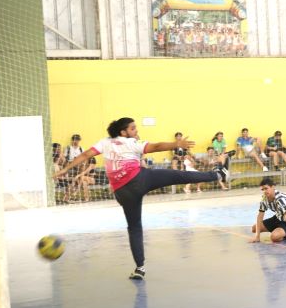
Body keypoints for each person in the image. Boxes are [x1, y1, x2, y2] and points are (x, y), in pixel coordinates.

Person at [55, 117, 226, 279]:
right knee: (178, 175)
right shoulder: (131, 142)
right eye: (133, 128)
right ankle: (216, 174)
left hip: (122, 192)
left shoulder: (104, 142)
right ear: (123, 132)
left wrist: (64, 169)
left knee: (134, 227)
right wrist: (176, 144)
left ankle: (140, 268)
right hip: (140, 180)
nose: (136, 130)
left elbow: (85, 155)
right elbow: (157, 146)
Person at [249, 177, 286, 243]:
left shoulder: (281, 198)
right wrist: (257, 236)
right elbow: (260, 216)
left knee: (274, 237)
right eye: (262, 189)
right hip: (277, 218)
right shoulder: (264, 198)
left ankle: (283, 234)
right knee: (254, 228)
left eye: (266, 188)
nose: (264, 191)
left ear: (273, 187)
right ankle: (279, 231)